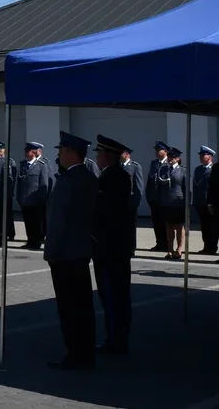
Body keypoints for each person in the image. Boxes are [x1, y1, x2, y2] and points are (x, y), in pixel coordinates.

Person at [45, 131, 99, 370]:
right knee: (84, 306)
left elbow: (58, 221)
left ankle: (75, 354)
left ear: (70, 153)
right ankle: (86, 352)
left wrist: (51, 252)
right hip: (81, 250)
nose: (59, 155)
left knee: (68, 307)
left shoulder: (66, 181)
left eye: (61, 151)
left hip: (65, 253)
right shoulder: (90, 178)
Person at [92, 134, 134, 355]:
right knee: (118, 294)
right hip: (117, 246)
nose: (97, 157)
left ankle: (116, 340)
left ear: (107, 155)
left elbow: (104, 213)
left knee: (112, 294)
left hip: (109, 247)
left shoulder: (111, 178)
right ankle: (118, 337)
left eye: (99, 153)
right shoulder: (117, 175)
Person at [17, 141, 51, 250]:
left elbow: (44, 184)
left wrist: (42, 200)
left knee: (36, 223)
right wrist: (19, 197)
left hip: (36, 201)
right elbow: (20, 183)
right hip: (25, 200)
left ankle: (36, 242)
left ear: (34, 152)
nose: (26, 153)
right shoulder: (23, 165)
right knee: (28, 222)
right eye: (26, 151)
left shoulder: (42, 165)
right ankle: (30, 241)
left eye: (28, 151)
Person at [158, 147, 186, 259]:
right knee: (168, 226)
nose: (170, 159)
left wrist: (187, 203)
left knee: (179, 226)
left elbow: (186, 188)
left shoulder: (182, 170)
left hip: (178, 202)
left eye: (172, 157)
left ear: (178, 158)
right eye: (169, 156)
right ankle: (169, 249)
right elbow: (159, 186)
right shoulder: (163, 169)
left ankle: (179, 248)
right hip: (166, 202)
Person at [192, 146, 216, 254]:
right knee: (204, 226)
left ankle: (212, 247)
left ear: (210, 157)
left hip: (209, 202)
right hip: (199, 202)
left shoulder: (214, 169)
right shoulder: (198, 169)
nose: (201, 157)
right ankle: (206, 246)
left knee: (212, 226)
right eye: (200, 156)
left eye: (203, 155)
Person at [145, 141, 169, 252]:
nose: (156, 152)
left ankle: (167, 244)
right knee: (156, 223)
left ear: (165, 151)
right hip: (154, 199)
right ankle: (159, 243)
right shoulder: (154, 163)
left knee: (165, 223)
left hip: (164, 200)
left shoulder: (169, 163)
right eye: (156, 150)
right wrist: (148, 196)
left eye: (158, 149)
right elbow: (150, 180)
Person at [122, 148, 144, 256]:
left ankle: (131, 248)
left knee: (130, 228)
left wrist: (136, 203)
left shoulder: (135, 167)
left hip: (130, 204)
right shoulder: (118, 167)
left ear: (127, 154)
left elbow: (138, 187)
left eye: (121, 153)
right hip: (119, 203)